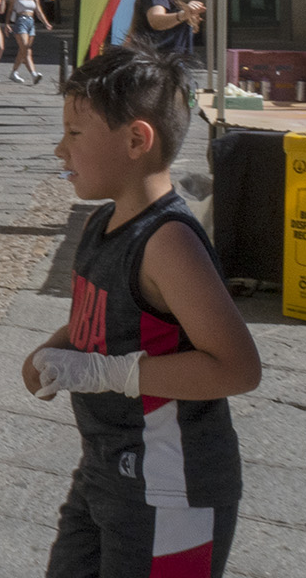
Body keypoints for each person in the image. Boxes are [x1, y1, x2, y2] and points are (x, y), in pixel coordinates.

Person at [25, 42, 260, 578]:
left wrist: (107, 371)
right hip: (105, 472)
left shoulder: (169, 242)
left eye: (75, 134)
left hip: (174, 488)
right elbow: (108, 320)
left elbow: (238, 368)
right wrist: (55, 350)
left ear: (136, 139)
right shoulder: (97, 225)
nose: (61, 149)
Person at [7, 0, 55, 85]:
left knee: (23, 49)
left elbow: (39, 12)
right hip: (20, 22)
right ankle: (33, 74)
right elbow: (10, 10)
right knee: (26, 48)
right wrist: (7, 23)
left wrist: (46, 23)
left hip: (30, 23)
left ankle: (14, 72)